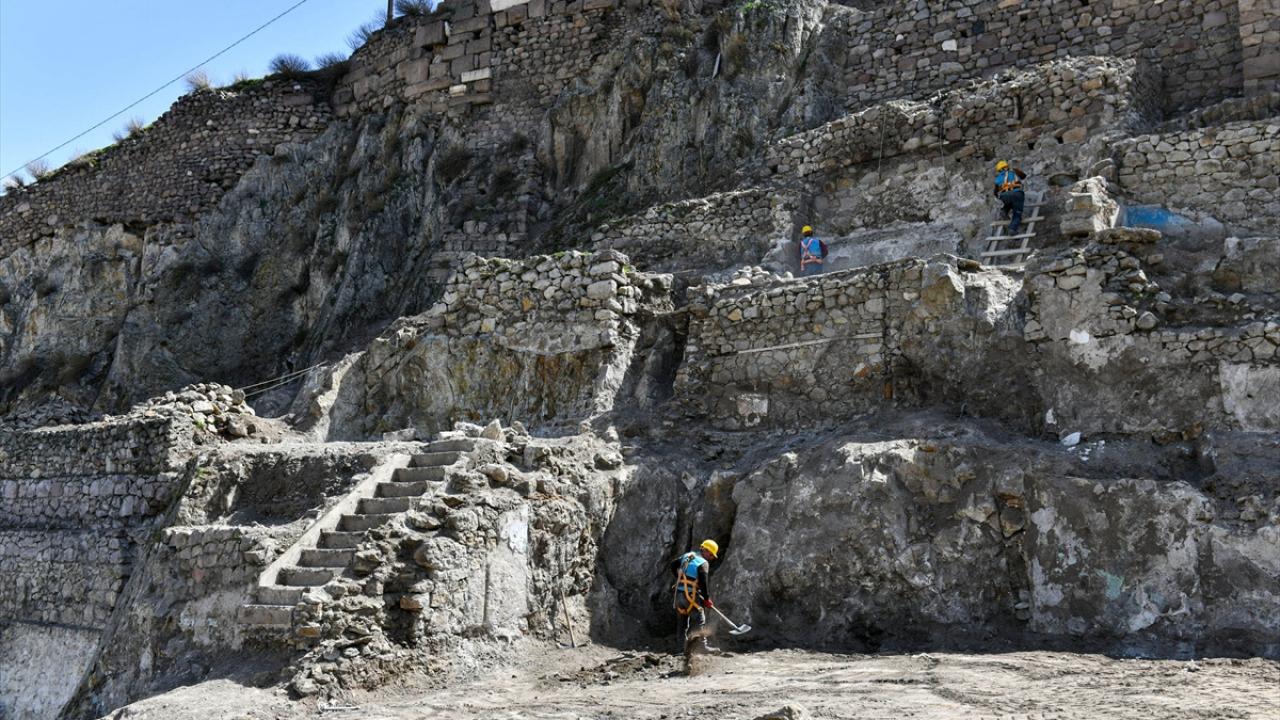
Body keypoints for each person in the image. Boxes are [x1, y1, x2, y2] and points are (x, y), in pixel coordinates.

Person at [671, 539, 719, 655]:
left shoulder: (688, 555)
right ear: (705, 550)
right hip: (690, 597)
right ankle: (701, 646)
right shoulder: (702, 563)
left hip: (678, 596)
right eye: (711, 555)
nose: (711, 558)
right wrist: (707, 599)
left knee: (682, 623)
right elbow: (703, 582)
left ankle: (679, 650)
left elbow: (673, 564)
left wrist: (681, 579)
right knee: (699, 618)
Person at [993, 160, 1028, 235]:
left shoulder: (998, 178)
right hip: (1017, 194)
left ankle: (1004, 211)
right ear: (1007, 166)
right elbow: (1024, 176)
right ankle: (1012, 229)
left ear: (999, 170)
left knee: (1008, 203)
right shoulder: (1014, 172)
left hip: (1004, 195)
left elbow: (995, 192)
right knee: (1017, 213)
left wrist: (1000, 198)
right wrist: (1016, 170)